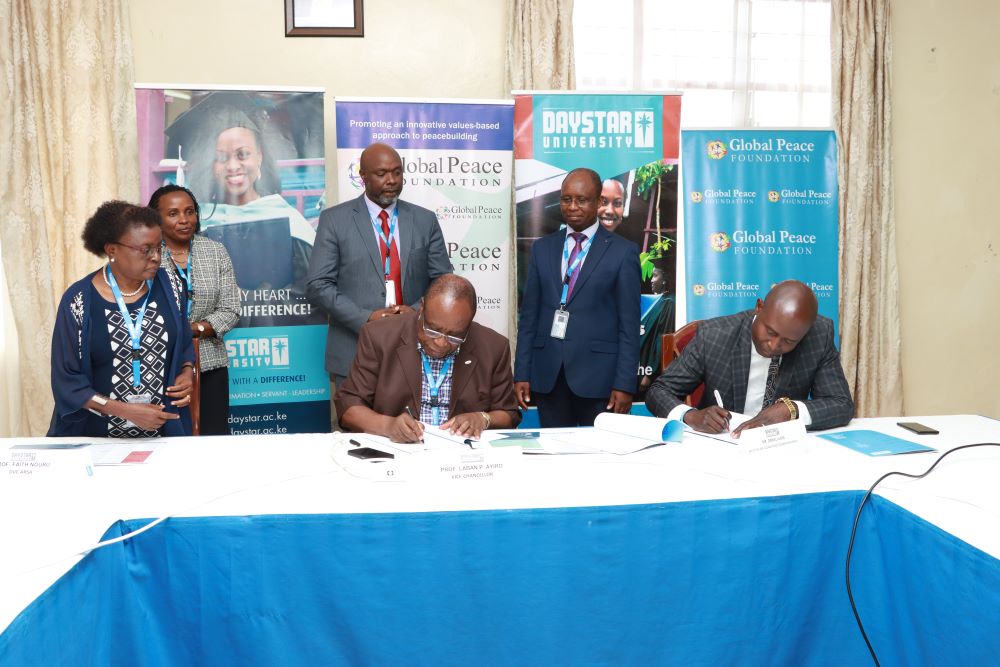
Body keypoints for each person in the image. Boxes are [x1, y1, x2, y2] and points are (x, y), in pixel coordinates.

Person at [164, 91, 318, 327]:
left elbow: (309, 295)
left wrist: (252, 301)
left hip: (278, 344)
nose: (233, 166)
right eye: (221, 158)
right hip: (213, 346)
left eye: (242, 154)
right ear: (211, 165)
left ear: (259, 157)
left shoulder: (288, 219)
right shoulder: (198, 225)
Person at [307, 142, 453, 388]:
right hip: (353, 353)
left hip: (413, 350)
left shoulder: (424, 220)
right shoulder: (334, 220)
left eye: (397, 172)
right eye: (382, 173)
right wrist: (366, 318)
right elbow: (318, 284)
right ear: (363, 176)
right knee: (356, 425)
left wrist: (417, 312)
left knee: (409, 426)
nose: (391, 180)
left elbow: (443, 281)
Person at [48, 201, 194, 437]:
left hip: (164, 433)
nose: (156, 257)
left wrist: (187, 372)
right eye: (146, 249)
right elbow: (68, 382)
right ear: (112, 250)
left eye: (160, 247)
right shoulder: (79, 301)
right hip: (95, 440)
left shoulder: (172, 286)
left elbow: (184, 344)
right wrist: (126, 411)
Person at [514, 168, 641, 427]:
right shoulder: (542, 248)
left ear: (597, 202)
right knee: (555, 455)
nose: (572, 206)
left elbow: (629, 326)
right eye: (566, 199)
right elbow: (529, 318)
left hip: (599, 379)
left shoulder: (623, 252)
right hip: (548, 375)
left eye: (581, 200)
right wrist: (522, 373)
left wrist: (625, 383)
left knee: (598, 458)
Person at [645, 280, 854, 435]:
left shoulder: (818, 335)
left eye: (789, 342)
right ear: (759, 307)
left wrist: (790, 410)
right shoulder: (715, 335)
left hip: (781, 450)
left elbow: (841, 404)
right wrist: (691, 416)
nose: (774, 345)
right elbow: (659, 391)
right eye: (770, 332)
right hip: (722, 446)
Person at [336, 275, 520, 443]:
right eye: (432, 330)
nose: (440, 342)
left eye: (455, 336)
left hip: (460, 456)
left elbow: (509, 414)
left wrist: (483, 418)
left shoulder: (494, 347)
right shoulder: (379, 336)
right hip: (397, 452)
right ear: (422, 308)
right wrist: (388, 426)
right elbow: (348, 407)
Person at [150, 184, 241, 435]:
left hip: (210, 363)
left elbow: (231, 309)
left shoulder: (215, 251)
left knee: (212, 438)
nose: (184, 220)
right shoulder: (148, 254)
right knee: (168, 440)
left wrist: (193, 329)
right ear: (156, 218)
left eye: (189, 212)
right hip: (160, 365)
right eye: (173, 213)